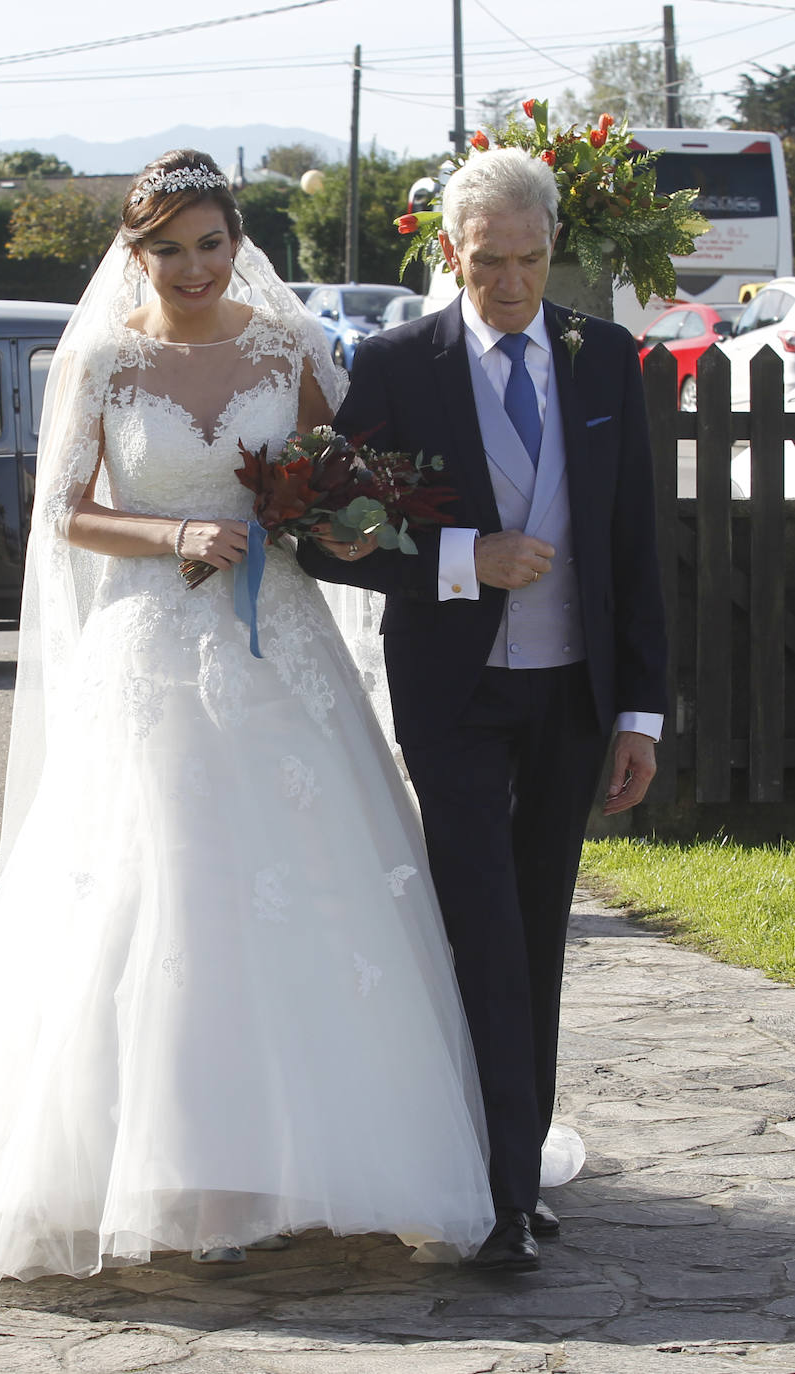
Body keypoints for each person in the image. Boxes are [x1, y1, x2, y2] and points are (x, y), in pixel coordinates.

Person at [0, 150, 494, 1294]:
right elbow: (67, 516)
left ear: (235, 241)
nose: (194, 267)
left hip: (274, 643)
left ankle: (311, 1160)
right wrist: (179, 537)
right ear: (134, 254)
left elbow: (341, 474)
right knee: (161, 886)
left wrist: (339, 525)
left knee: (304, 883)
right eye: (169, 248)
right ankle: (168, 1167)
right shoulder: (103, 355)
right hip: (152, 646)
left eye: (211, 243)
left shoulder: (285, 343)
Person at [298, 146, 667, 1270]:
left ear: (554, 246)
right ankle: (502, 1196)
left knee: (539, 930)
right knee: (482, 929)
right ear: (449, 250)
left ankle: (515, 1157)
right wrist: (466, 556)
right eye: (489, 259)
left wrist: (642, 716)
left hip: (572, 696)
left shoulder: (604, 358)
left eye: (531, 257)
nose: (511, 282)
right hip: (453, 694)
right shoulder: (400, 362)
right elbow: (333, 530)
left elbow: (631, 545)